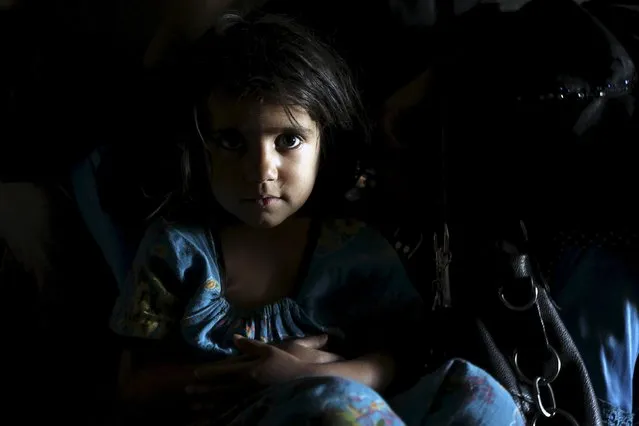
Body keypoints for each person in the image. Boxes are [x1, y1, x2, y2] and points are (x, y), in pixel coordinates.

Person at [109, 12, 524, 425]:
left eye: (288, 140)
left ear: (323, 143)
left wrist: (312, 376)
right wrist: (254, 380)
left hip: (366, 405)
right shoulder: (177, 250)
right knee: (334, 405)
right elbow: (133, 386)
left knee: (478, 391)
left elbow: (404, 357)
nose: (261, 170)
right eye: (232, 141)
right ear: (200, 148)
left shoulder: (354, 248)